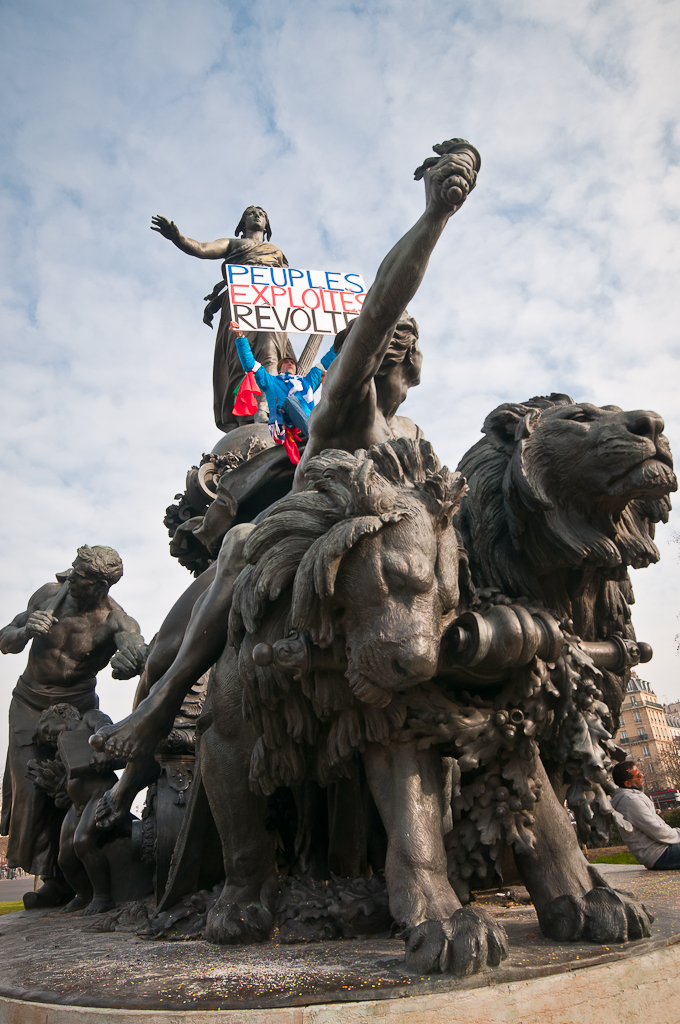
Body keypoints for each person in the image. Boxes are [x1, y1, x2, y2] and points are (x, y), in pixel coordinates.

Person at [92, 140, 480, 767]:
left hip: (403, 547)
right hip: (324, 521)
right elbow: (382, 297)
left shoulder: (410, 431)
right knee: (244, 542)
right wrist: (435, 216)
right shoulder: (345, 404)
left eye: (404, 346)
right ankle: (163, 703)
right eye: (384, 338)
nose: (395, 346)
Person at [0, 545, 146, 907]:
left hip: (76, 710)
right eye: (74, 569)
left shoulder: (116, 621)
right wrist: (22, 632)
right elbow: (4, 638)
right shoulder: (49, 595)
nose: (69, 578)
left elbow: (136, 650)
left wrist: (132, 660)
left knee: (70, 789)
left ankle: (70, 880)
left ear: (100, 585)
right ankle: (51, 881)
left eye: (79, 576)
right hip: (30, 703)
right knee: (32, 789)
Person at [151, 206, 297, 432]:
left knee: (270, 350)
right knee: (241, 358)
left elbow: (292, 287)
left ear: (267, 224)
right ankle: (243, 419)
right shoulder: (233, 245)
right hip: (239, 302)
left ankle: (266, 407)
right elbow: (200, 248)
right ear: (242, 222)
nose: (257, 215)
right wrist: (178, 238)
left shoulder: (276, 252)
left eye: (262, 213)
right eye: (251, 212)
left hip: (270, 303)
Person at [27, 703, 129, 915]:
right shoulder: (62, 753)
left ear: (62, 714)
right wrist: (60, 792)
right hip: (77, 804)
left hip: (99, 794)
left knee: (83, 842)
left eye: (47, 729)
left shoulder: (87, 719)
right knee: (65, 858)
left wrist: (102, 747)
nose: (48, 737)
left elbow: (105, 724)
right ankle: (84, 894)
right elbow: (68, 783)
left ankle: (103, 897)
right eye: (45, 737)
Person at [231, 320, 336, 462]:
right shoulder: (271, 381)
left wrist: (344, 337)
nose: (290, 363)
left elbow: (325, 362)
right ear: (280, 369)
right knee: (290, 401)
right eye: (286, 363)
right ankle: (317, 440)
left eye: (292, 362)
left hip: (308, 418)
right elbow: (249, 363)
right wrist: (240, 336)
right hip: (286, 424)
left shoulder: (307, 382)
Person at [610, 761, 680, 870]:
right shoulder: (631, 801)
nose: (642, 775)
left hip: (661, 849)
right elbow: (658, 830)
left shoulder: (634, 796)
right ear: (628, 784)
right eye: (638, 775)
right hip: (658, 854)